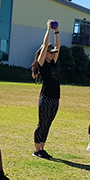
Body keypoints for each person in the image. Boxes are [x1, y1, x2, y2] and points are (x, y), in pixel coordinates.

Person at [31, 19, 61, 160]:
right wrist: (48, 29)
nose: (52, 53)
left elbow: (58, 46)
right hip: (46, 98)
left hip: (56, 98)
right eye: (50, 52)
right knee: (42, 123)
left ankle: (42, 148)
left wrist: (57, 31)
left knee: (48, 124)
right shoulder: (42, 63)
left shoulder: (53, 62)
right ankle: (37, 150)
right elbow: (44, 45)